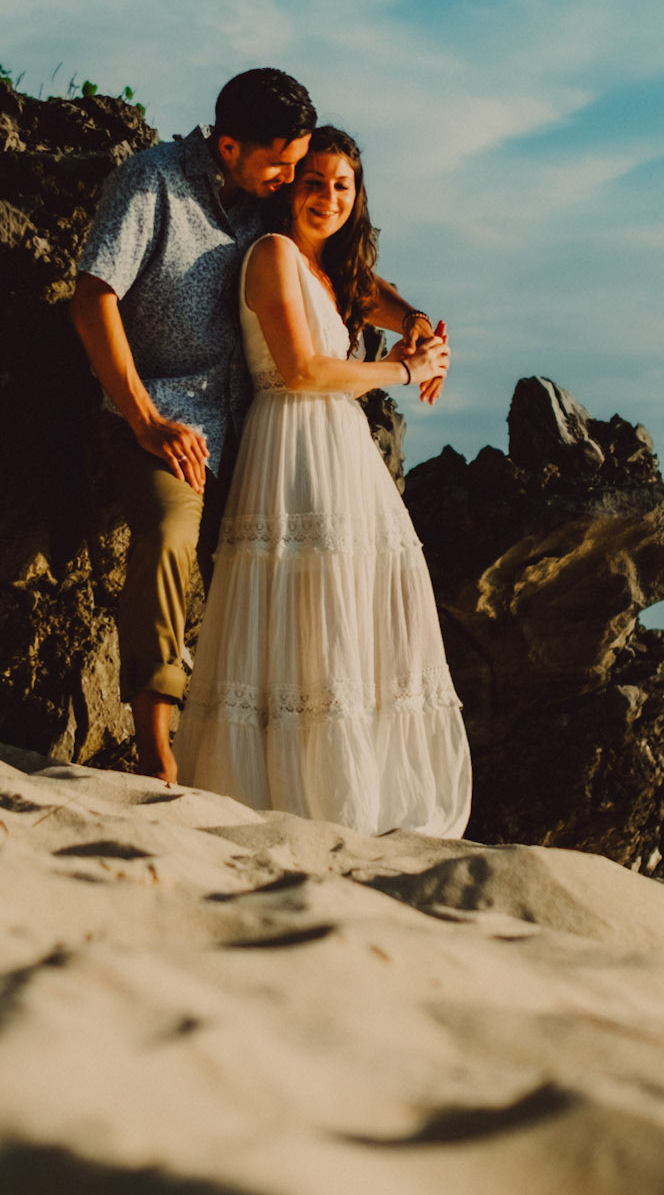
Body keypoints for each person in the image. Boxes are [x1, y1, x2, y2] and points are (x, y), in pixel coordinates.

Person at [72, 73, 439, 783]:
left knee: (288, 583)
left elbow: (336, 269)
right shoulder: (153, 182)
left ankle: (288, 766)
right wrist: (146, 420)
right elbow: (93, 297)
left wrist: (415, 322)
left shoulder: (268, 198)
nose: (293, 180)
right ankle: (156, 752)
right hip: (167, 415)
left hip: (255, 434)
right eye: (283, 165)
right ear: (229, 146)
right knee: (170, 536)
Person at [174, 127, 472, 837]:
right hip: (293, 439)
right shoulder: (273, 254)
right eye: (315, 183)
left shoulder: (327, 268)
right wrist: (406, 369)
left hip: (342, 447)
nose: (329, 198)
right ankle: (299, 794)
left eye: (343, 187)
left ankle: (359, 791)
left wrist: (419, 325)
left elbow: (372, 295)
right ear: (291, 189)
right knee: (306, 609)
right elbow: (303, 369)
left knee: (359, 606)